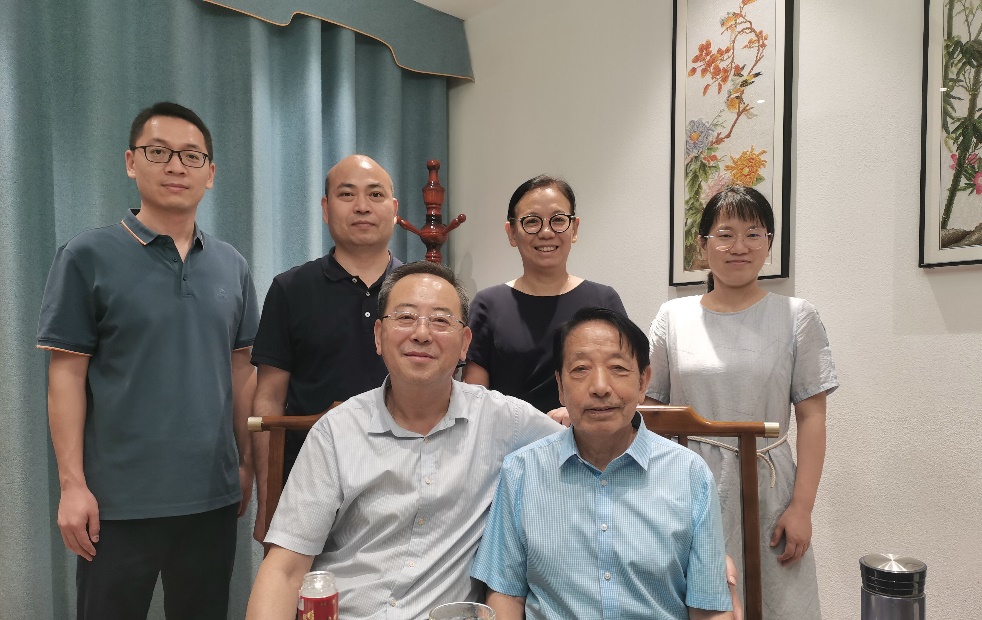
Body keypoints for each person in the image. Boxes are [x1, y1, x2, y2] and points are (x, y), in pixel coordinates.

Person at [36, 102, 259, 619]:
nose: (176, 166)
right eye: (159, 152)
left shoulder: (232, 264)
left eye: (191, 156)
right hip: (116, 504)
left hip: (212, 498)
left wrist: (246, 462)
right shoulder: (86, 256)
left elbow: (241, 369)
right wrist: (72, 485)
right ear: (131, 162)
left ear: (210, 173)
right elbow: (66, 376)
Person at [245, 261, 564, 620]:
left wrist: (575, 417)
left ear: (465, 343)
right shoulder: (336, 432)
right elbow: (285, 569)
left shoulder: (504, 420)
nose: (422, 334)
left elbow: (585, 449)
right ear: (379, 336)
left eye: (440, 320)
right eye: (406, 317)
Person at [647, 186, 838, 619]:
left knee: (778, 602)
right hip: (687, 482)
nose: (739, 247)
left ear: (769, 243)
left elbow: (812, 417)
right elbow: (650, 412)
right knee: (695, 600)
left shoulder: (797, 316)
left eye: (753, 234)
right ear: (703, 245)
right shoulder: (672, 318)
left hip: (769, 485)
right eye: (725, 234)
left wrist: (802, 507)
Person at [471, 307, 735, 620]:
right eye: (581, 369)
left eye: (618, 368)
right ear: (560, 386)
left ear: (643, 382)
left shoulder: (689, 473)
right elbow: (506, 594)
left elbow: (709, 608)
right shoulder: (522, 472)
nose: (599, 387)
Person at [250, 154, 401, 542]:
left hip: (406, 483)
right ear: (325, 208)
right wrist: (268, 499)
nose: (362, 206)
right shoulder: (290, 289)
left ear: (394, 209)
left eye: (375, 194)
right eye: (346, 194)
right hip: (309, 485)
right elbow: (269, 397)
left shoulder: (422, 288)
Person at [463, 175, 626, 414]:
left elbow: (623, 381)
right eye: (531, 222)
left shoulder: (604, 300)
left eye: (558, 220)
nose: (546, 232)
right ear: (511, 233)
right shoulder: (488, 304)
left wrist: (577, 414)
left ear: (575, 228)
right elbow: (475, 399)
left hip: (589, 433)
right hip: (509, 435)